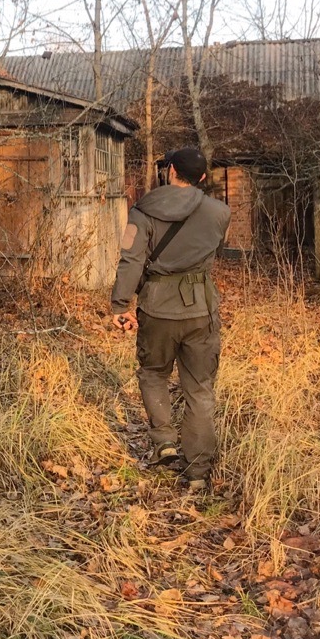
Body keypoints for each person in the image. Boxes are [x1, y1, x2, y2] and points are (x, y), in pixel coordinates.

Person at [110, 147, 230, 491]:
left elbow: (130, 259)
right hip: (201, 310)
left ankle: (164, 439)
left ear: (170, 170)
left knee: (152, 374)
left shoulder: (143, 209)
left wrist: (121, 305)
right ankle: (198, 473)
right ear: (203, 178)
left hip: (157, 308)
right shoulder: (220, 213)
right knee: (200, 390)